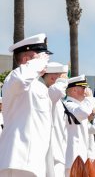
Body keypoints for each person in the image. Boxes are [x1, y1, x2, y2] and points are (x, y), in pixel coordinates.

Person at [0, 33, 52, 177]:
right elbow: (21, 79)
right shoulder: (14, 77)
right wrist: (36, 63)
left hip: (35, 162)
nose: (45, 61)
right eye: (41, 56)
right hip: (18, 161)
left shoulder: (39, 87)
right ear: (26, 60)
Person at [64, 75, 95, 176]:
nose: (86, 91)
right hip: (71, 159)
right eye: (83, 88)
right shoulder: (68, 104)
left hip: (80, 157)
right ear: (74, 90)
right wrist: (90, 98)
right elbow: (83, 112)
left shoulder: (78, 106)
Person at [42, 62, 69, 177]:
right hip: (51, 152)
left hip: (59, 150)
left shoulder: (57, 100)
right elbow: (56, 91)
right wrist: (62, 81)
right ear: (53, 77)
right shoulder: (45, 92)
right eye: (59, 75)